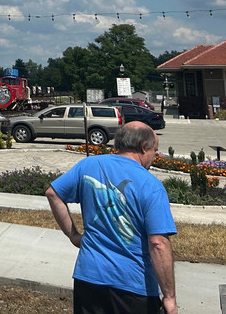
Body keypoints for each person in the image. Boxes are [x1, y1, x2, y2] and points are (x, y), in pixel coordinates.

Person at [45, 121, 177, 314]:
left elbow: (52, 193)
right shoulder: (151, 185)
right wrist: (169, 297)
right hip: (133, 285)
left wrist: (73, 235)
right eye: (155, 151)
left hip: (88, 277)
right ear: (143, 147)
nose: (154, 158)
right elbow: (158, 243)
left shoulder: (88, 165)